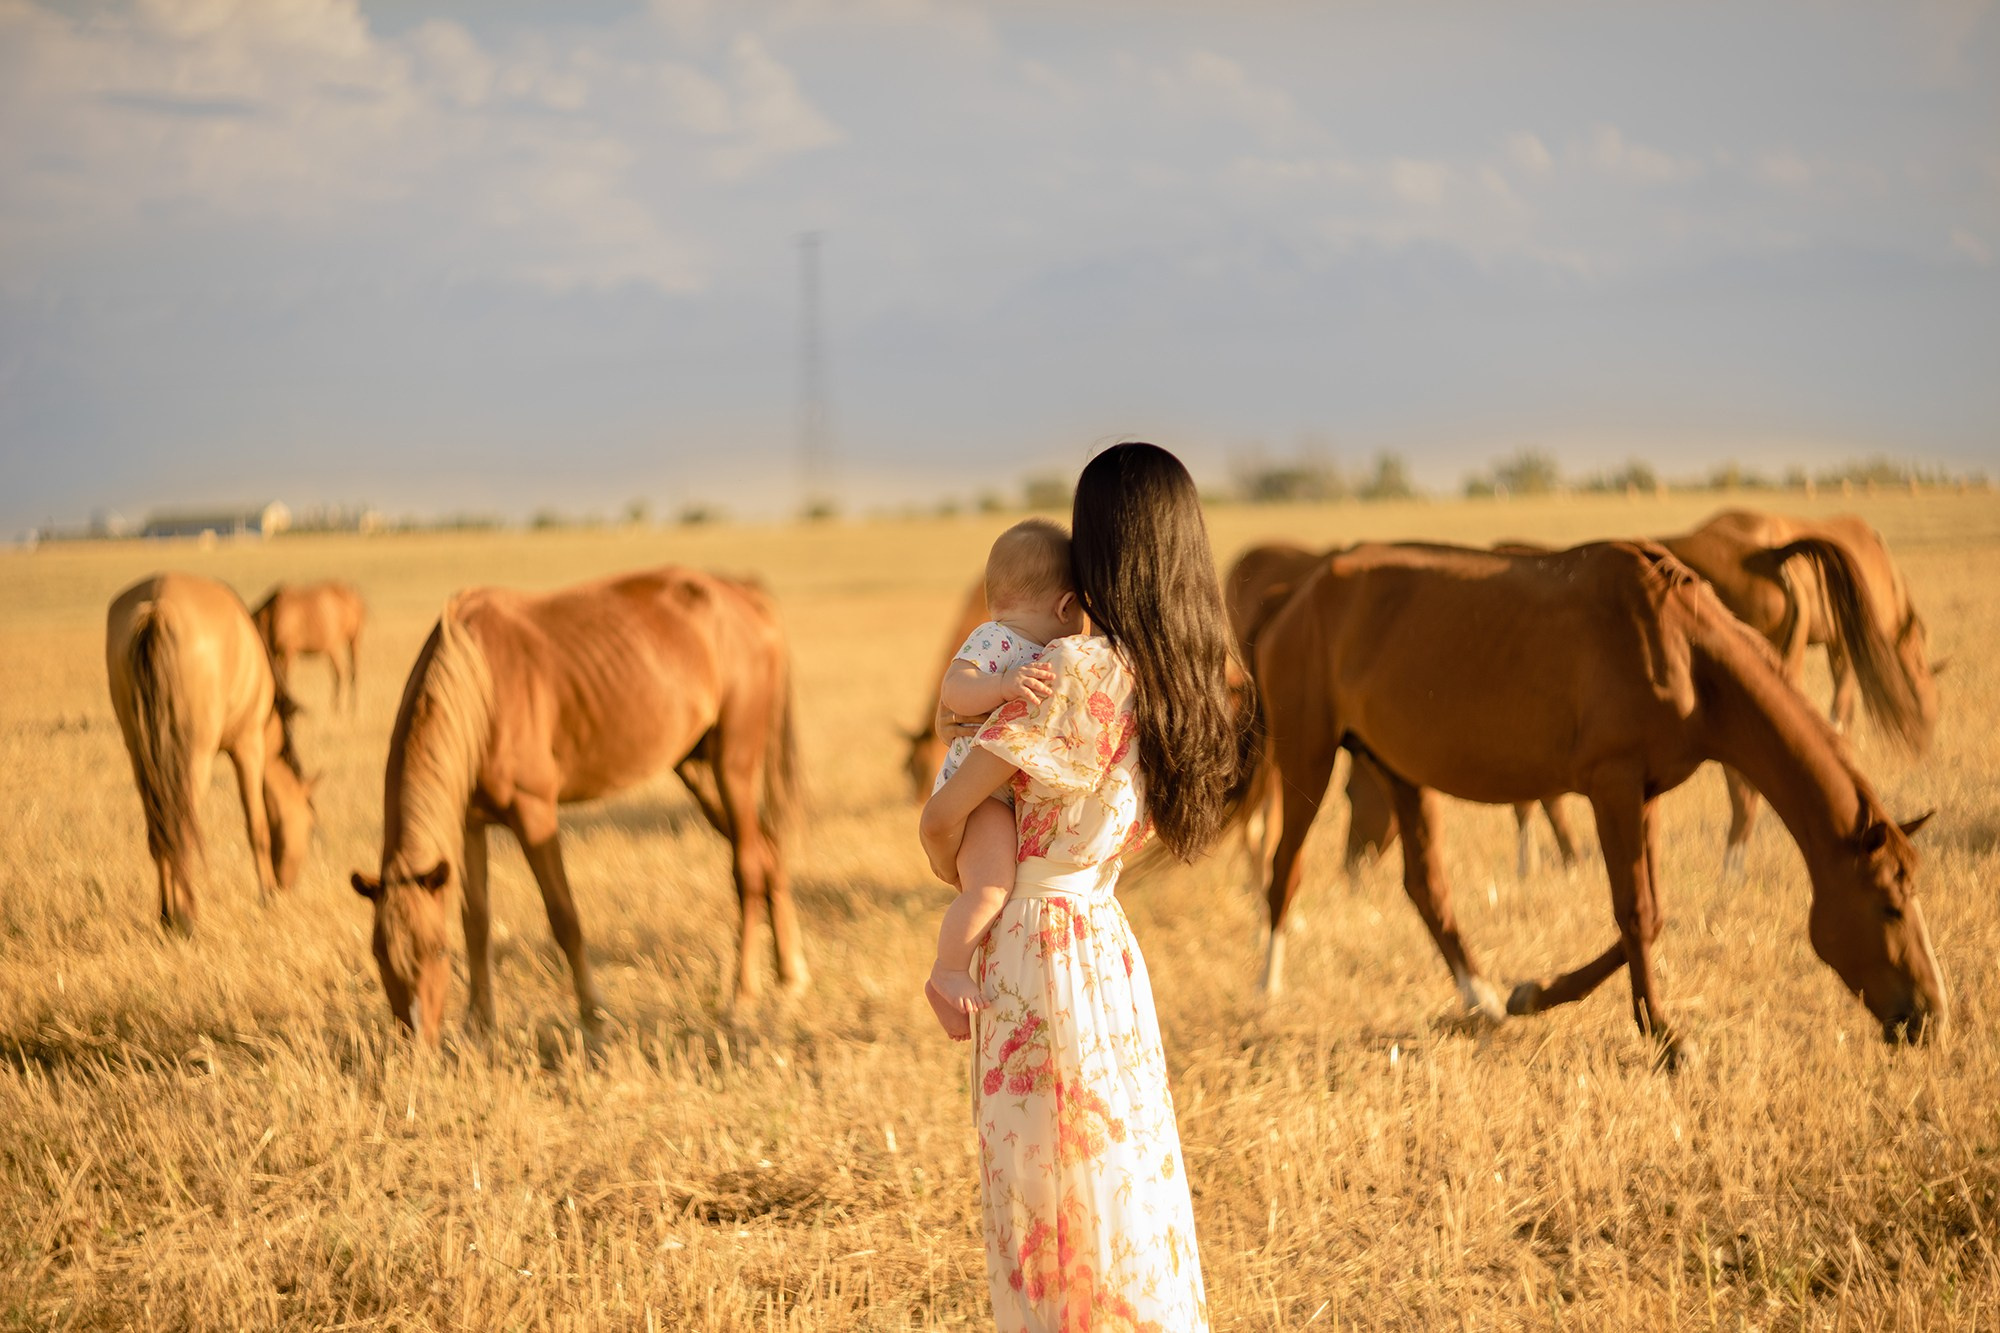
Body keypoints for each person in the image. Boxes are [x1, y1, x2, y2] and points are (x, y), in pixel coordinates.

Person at [919, 442, 1252, 1330]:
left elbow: (945, 817)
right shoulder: (1185, 679)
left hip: (1035, 951)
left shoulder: (1073, 671)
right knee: (1121, 1183)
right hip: (1104, 943)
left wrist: (945, 798)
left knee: (1046, 1203)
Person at [923, 518, 1086, 1041]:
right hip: (981, 796)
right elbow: (955, 690)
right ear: (1065, 608)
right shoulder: (996, 640)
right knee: (990, 889)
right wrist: (1001, 684)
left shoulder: (1043, 653)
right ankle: (948, 970)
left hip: (999, 792)